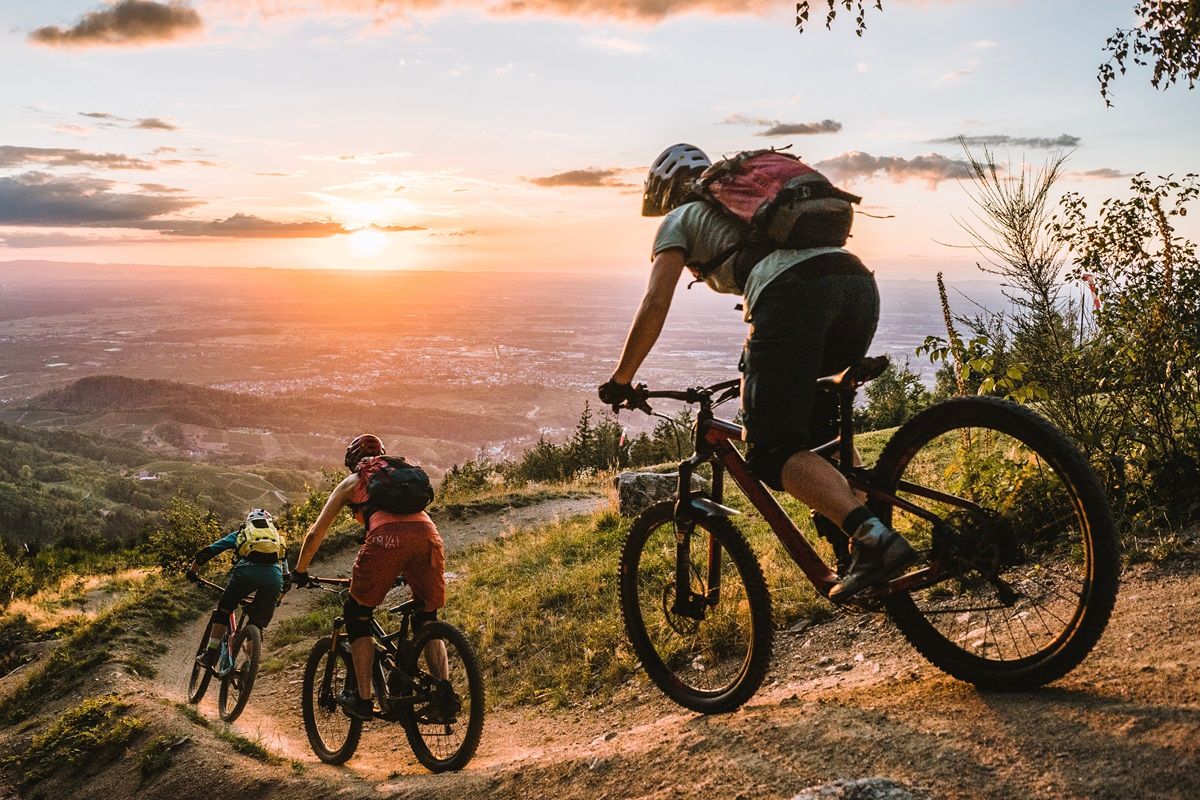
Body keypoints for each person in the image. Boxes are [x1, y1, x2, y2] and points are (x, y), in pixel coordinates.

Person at [598, 143, 917, 603]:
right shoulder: (749, 207)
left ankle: (873, 541)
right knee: (814, 426)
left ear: (666, 191)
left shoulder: (681, 219)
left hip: (795, 296)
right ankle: (865, 537)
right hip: (857, 288)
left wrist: (622, 377)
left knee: (768, 450)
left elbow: (655, 302)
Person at [290, 434, 449, 721]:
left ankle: (363, 699)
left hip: (385, 540)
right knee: (428, 617)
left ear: (352, 461)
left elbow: (315, 533)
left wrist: (299, 571)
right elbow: (409, 525)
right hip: (429, 535)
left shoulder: (353, 481)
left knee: (357, 615)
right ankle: (443, 694)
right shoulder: (402, 473)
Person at [186, 508, 290, 668]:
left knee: (224, 610)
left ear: (249, 522)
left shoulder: (243, 534)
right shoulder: (277, 539)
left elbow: (210, 550)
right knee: (257, 622)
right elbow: (287, 579)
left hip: (245, 574)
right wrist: (278, 599)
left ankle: (210, 654)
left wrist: (193, 571)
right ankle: (250, 667)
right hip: (273, 578)